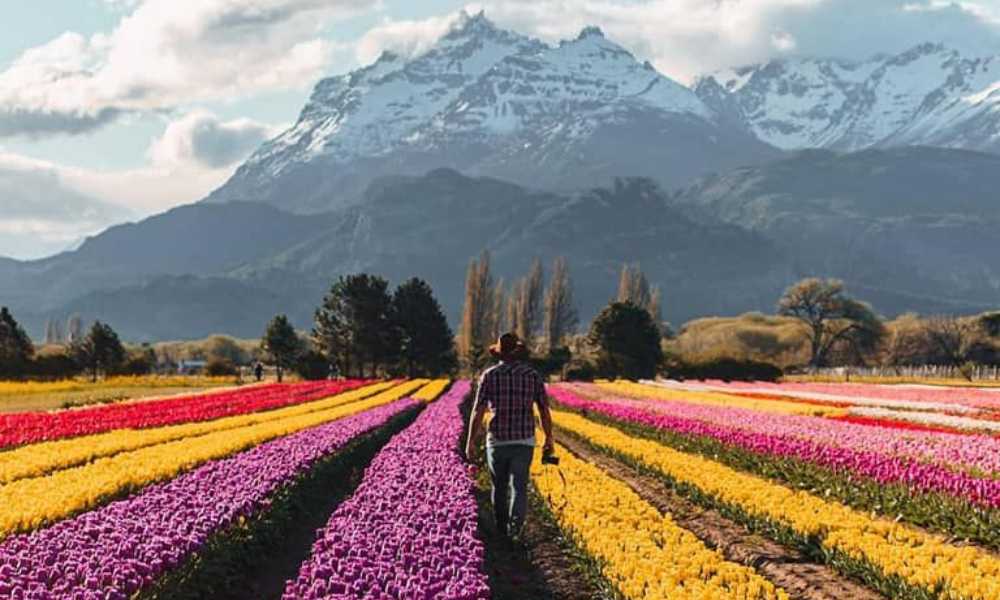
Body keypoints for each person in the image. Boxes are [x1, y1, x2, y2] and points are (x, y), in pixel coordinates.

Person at [464, 332, 554, 539]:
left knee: (499, 486)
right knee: (520, 486)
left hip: (497, 440)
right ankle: (515, 531)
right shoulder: (532, 376)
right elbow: (544, 411)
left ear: (499, 353)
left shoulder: (490, 375)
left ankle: (501, 530)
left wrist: (471, 441)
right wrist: (549, 438)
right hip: (524, 440)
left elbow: (478, 411)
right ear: (518, 352)